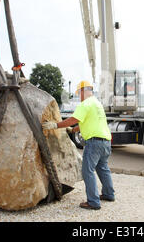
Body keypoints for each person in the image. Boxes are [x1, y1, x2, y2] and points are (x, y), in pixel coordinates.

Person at [42, 81, 115, 210]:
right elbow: (83, 123)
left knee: (88, 171)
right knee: (103, 168)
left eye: (79, 93)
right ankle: (109, 194)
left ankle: (93, 202)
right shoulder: (97, 104)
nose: (79, 96)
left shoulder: (85, 104)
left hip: (94, 143)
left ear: (83, 91)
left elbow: (73, 119)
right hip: (106, 141)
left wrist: (56, 125)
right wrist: (72, 130)